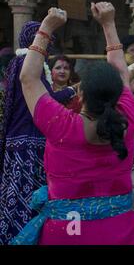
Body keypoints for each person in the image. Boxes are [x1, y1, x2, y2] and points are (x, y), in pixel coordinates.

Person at [11, 3, 134, 245]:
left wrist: (47, 26)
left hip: (68, 235)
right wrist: (108, 23)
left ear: (80, 95)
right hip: (120, 232)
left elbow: (27, 78)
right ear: (117, 96)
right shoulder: (128, 119)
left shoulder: (61, 126)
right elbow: (121, 74)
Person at [0, 22, 82, 244]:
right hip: (26, 144)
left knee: (21, 193)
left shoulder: (25, 64)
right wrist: (71, 90)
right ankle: (18, 235)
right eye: (44, 40)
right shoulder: (26, 65)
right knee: (23, 196)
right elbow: (46, 103)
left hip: (23, 142)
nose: (47, 46)